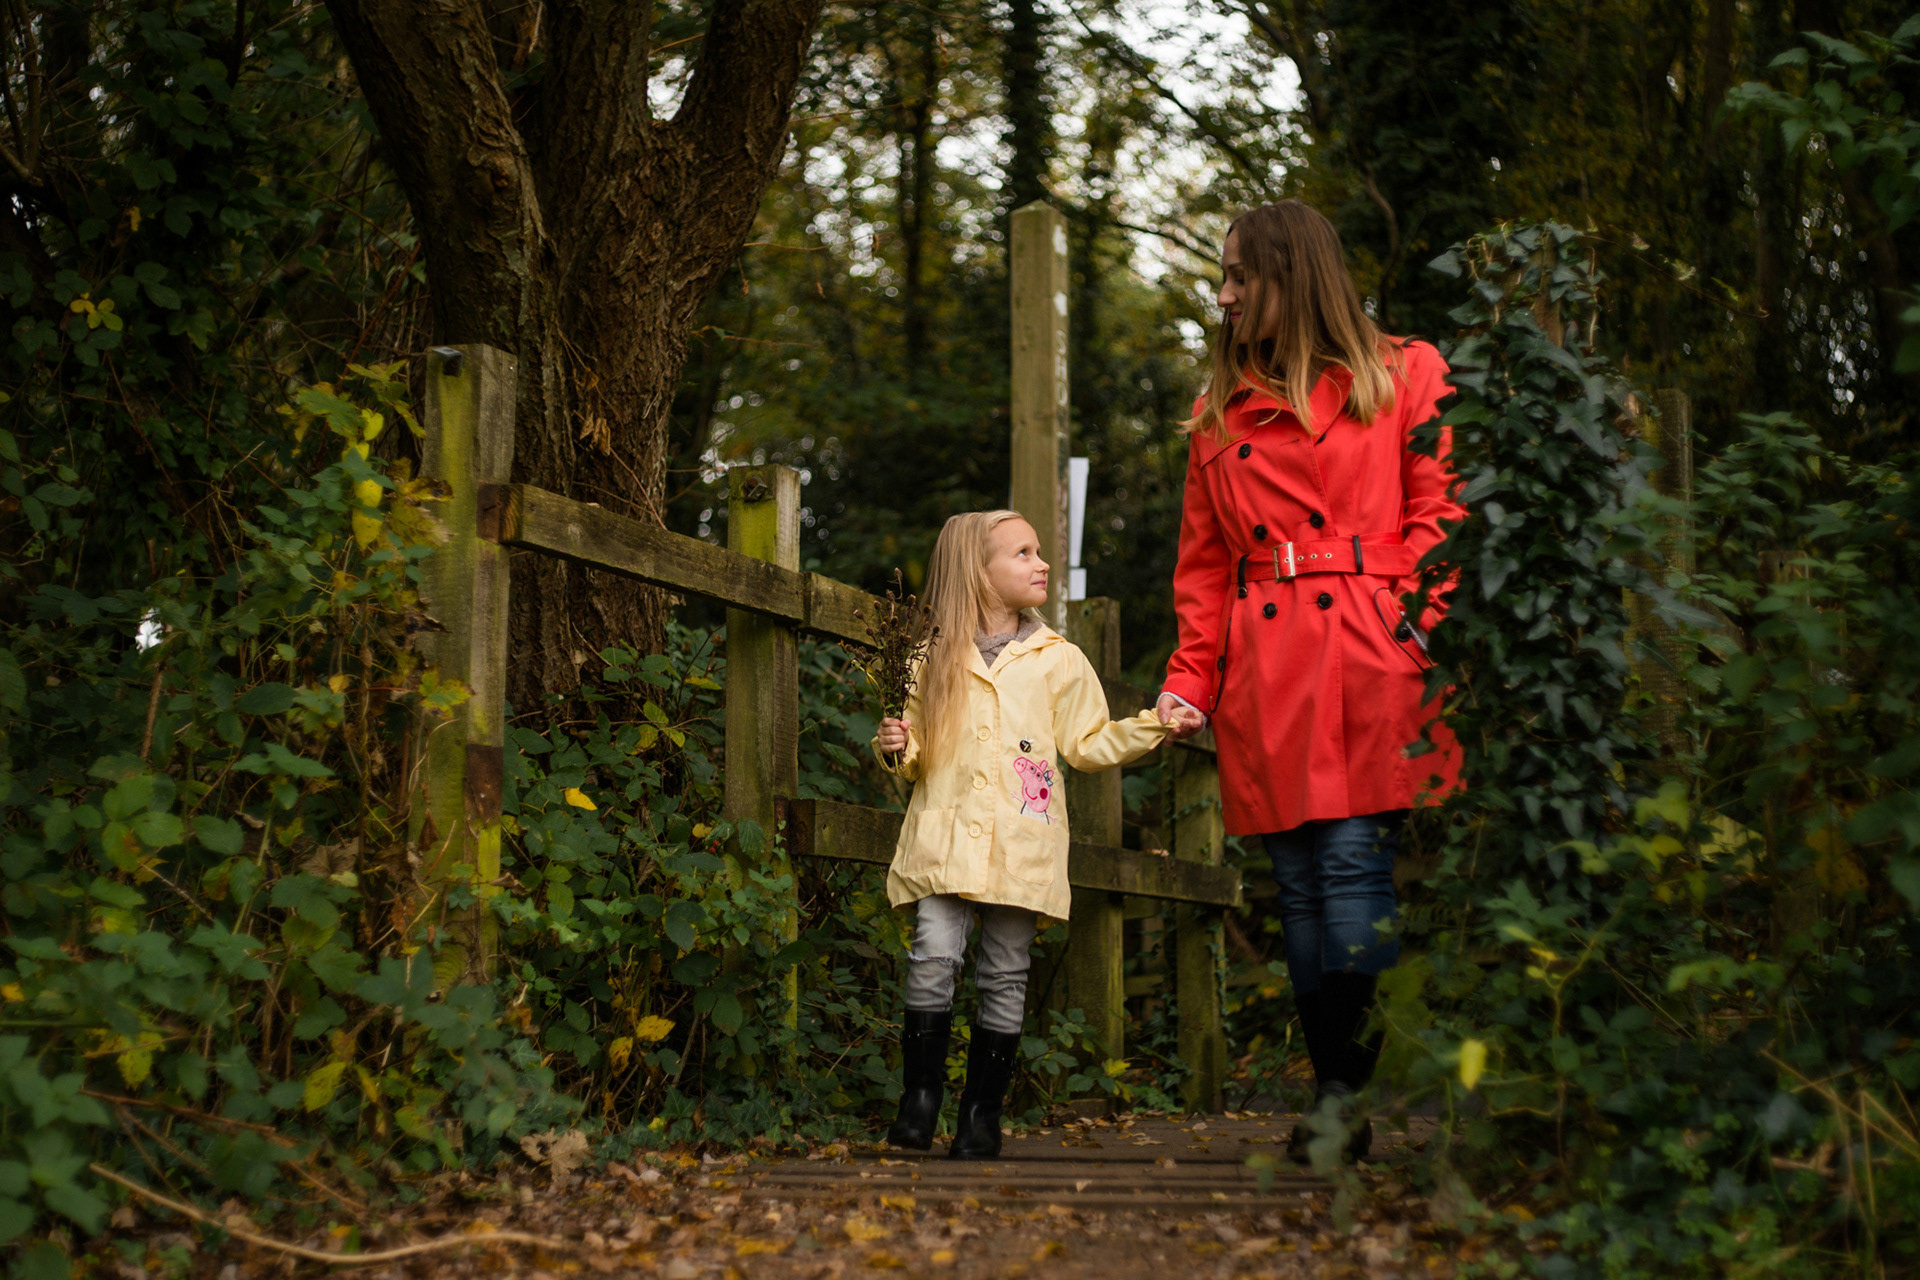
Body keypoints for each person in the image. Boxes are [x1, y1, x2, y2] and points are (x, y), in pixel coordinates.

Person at [1153, 200, 1465, 1163]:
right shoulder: (1217, 415)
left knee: (1351, 865)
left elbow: (1443, 509)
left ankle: (1341, 1098)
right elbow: (1204, 567)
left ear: (1295, 275)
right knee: (1296, 884)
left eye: (1241, 275)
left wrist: (1416, 620)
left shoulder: (1405, 371)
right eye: (1224, 276)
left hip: (1375, 646)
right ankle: (1337, 1092)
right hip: (1270, 659)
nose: (1225, 294)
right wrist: (1190, 680)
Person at [874, 511, 1170, 1159]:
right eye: (1024, 553)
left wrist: (1156, 723)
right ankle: (918, 1100)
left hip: (1022, 842)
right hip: (946, 836)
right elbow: (914, 758)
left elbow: (1089, 743)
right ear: (978, 572)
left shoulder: (1058, 659)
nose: (1042, 564)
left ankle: (982, 1115)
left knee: (1006, 973)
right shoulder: (928, 657)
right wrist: (898, 745)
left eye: (1040, 552)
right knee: (932, 956)